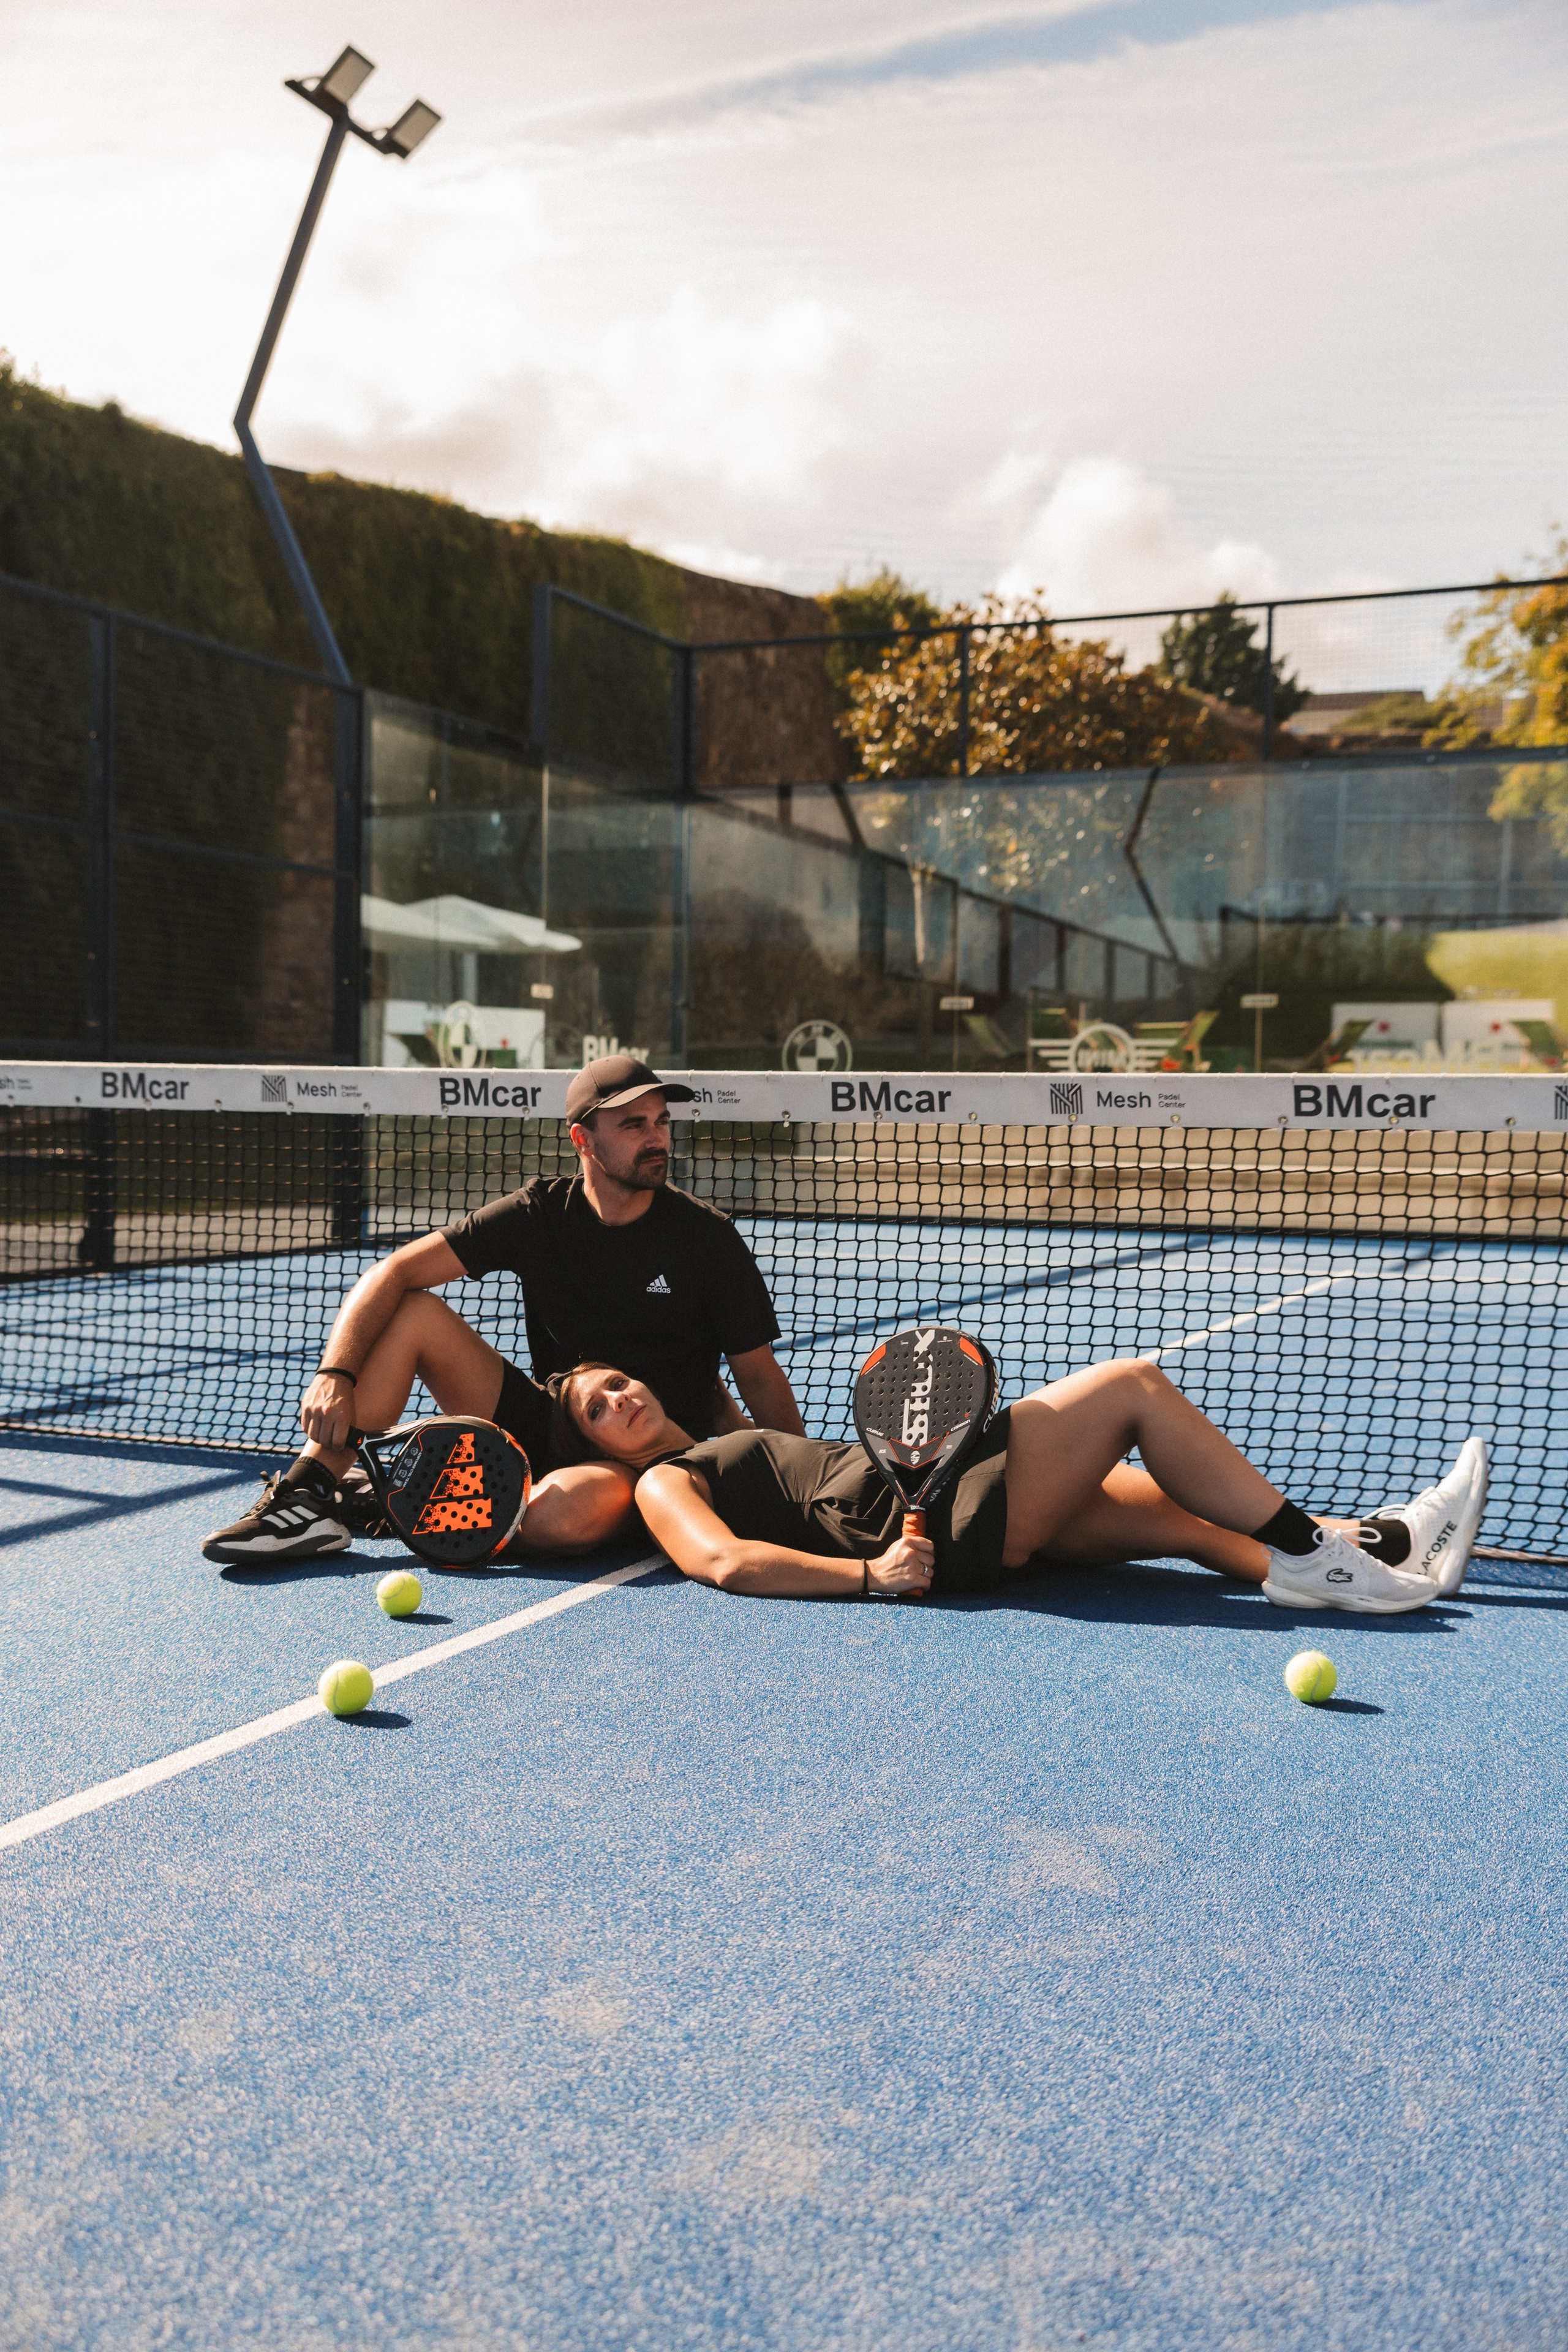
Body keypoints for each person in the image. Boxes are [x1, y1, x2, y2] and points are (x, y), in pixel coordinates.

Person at [202, 1057, 805, 1566]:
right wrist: (334, 1375)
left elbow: (757, 1375)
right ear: (583, 1140)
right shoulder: (539, 1213)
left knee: (561, 1516)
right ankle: (310, 1493)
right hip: (549, 1423)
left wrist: (796, 1482)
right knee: (412, 1311)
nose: (656, 1139)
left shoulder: (706, 1239)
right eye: (633, 1125)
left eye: (661, 1122)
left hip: (649, 1453)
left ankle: (399, 1496)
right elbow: (394, 1271)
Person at [547, 1355, 1488, 1611]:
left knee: (1179, 1519)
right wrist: (874, 1578)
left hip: (935, 1496)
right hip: (925, 1527)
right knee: (1132, 1389)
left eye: (617, 1381)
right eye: (596, 1408)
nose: (620, 1399)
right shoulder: (659, 1483)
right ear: (594, 1445)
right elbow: (726, 1565)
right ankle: (1313, 1555)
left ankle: (1383, 1542)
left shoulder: (728, 1429)